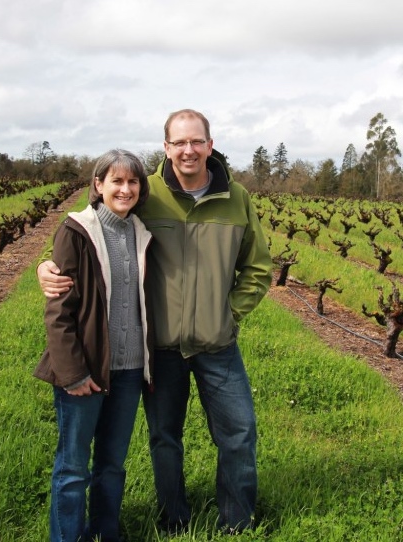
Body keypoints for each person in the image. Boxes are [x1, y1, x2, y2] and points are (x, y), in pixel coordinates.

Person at [38, 109, 273, 535]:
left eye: (196, 141)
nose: (188, 150)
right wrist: (48, 267)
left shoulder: (237, 198)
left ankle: (238, 521)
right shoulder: (149, 195)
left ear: (210, 145)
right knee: (165, 437)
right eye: (179, 142)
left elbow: (257, 268)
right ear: (165, 147)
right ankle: (174, 519)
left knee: (239, 432)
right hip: (159, 346)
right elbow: (97, 231)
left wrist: (229, 312)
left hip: (217, 344)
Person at [34, 148, 153, 542]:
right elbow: (59, 312)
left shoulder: (142, 231)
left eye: (133, 181)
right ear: (98, 185)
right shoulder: (76, 231)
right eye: (116, 181)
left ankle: (106, 533)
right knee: (72, 468)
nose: (125, 188)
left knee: (113, 464)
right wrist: (72, 374)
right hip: (84, 369)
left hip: (130, 369)